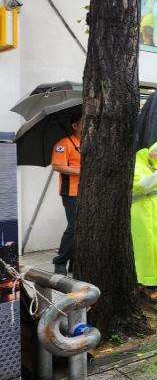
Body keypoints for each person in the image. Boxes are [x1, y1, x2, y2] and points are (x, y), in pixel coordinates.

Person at [131, 141, 157, 303]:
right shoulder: (136, 163)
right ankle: (149, 285)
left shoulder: (152, 164)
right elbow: (137, 186)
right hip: (142, 212)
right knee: (145, 249)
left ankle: (147, 282)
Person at [51, 110, 82, 275]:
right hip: (71, 192)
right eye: (84, 122)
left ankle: (75, 263)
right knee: (74, 226)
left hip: (88, 193)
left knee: (84, 228)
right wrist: (80, 171)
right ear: (75, 125)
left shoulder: (89, 143)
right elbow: (57, 166)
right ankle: (60, 262)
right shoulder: (64, 143)